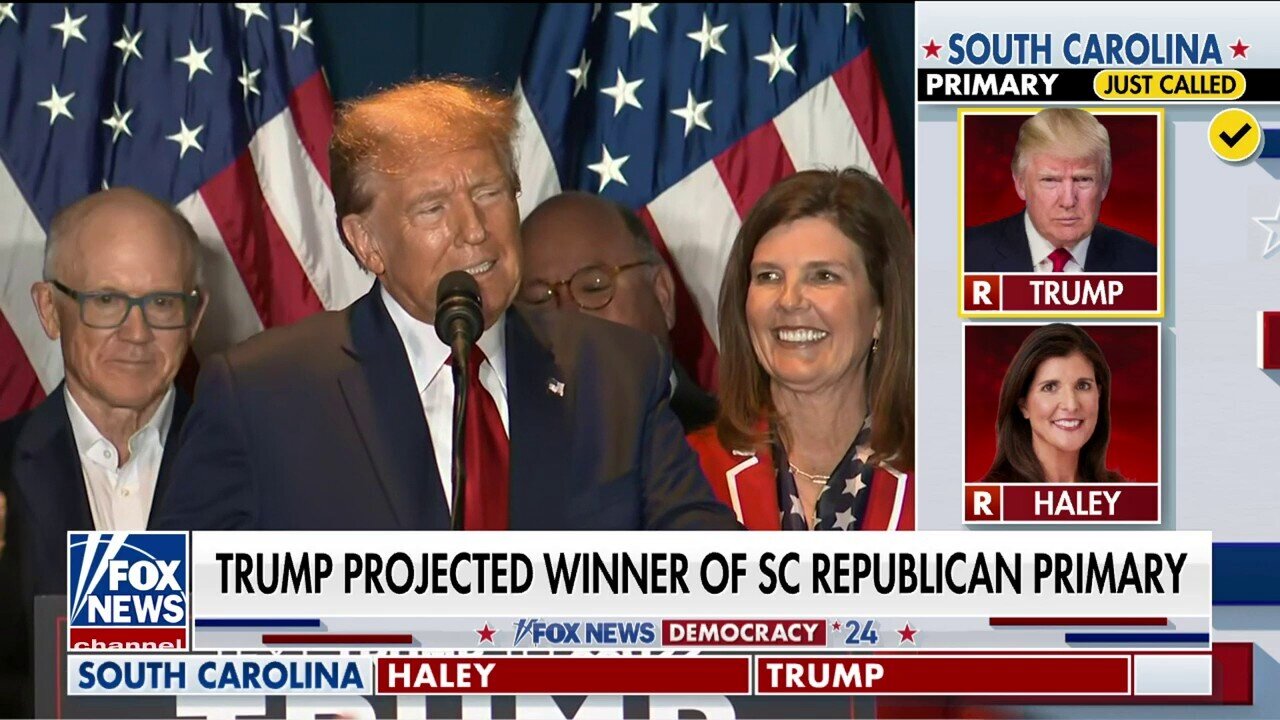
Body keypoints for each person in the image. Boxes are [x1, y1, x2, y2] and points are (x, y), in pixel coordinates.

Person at [154, 78, 740, 531]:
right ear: (367, 242)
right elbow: (148, 615)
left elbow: (705, 564)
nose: (475, 231)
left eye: (488, 193)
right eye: (433, 209)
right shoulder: (264, 392)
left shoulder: (616, 369)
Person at [0, 187, 206, 716]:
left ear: (195, 315)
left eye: (162, 302)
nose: (136, 333)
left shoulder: (262, 467)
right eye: (106, 301)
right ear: (50, 309)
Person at [686, 168, 914, 530]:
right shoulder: (687, 473)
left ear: (882, 311)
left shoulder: (957, 479)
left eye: (823, 276)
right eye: (768, 277)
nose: (789, 301)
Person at [519, 191, 718, 431]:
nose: (567, 318)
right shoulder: (496, 461)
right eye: (539, 301)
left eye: (594, 287)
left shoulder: (746, 456)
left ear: (662, 295)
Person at [964, 108, 1156, 273]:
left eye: (1083, 179)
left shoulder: (1148, 263)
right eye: (1050, 180)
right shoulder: (965, 255)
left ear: (1104, 185)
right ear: (1020, 184)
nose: (1068, 201)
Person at [981, 323, 1125, 484]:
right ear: (1023, 404)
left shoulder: (1123, 496)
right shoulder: (991, 501)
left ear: (1099, 394)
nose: (1071, 405)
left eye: (1083, 386)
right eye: (1049, 387)